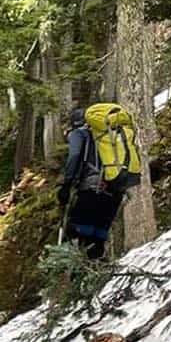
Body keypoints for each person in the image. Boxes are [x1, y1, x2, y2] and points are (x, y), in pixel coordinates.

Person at [56, 105, 124, 260]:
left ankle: (76, 277)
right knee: (98, 238)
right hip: (114, 194)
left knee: (76, 233)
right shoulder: (111, 136)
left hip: (91, 190)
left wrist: (66, 186)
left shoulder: (79, 134)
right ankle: (96, 277)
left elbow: (74, 157)